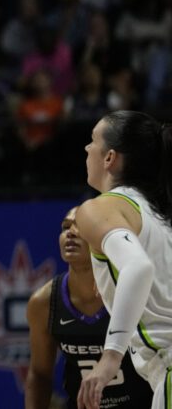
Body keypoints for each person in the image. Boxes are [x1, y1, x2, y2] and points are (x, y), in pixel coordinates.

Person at [75, 111, 172, 409]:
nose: (86, 148)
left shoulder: (98, 208)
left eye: (93, 140)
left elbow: (138, 268)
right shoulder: (160, 217)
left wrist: (110, 356)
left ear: (110, 158)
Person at [26, 205, 152, 409]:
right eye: (66, 227)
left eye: (81, 227)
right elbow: (40, 374)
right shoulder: (44, 302)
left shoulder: (132, 290)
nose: (71, 233)